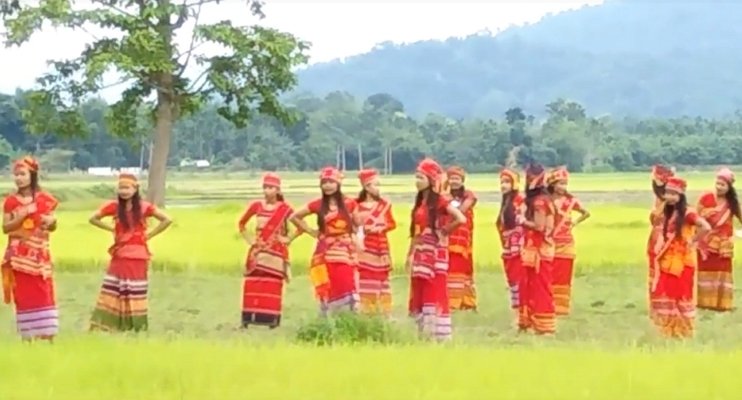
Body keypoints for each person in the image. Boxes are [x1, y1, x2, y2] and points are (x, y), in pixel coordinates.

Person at [88, 173, 172, 332]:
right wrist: (111, 229)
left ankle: (134, 327)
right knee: (114, 289)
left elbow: (167, 219)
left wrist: (149, 236)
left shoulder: (145, 207)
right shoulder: (113, 207)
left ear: (135, 189)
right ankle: (110, 326)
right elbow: (92, 218)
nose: (124, 191)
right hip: (120, 255)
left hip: (137, 256)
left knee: (134, 291)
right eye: (121, 188)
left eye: (127, 188)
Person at [407, 158, 466, 341]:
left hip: (434, 251)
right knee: (420, 288)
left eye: (421, 177)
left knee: (434, 287)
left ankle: (438, 332)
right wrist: (410, 253)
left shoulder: (439, 201)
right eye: (416, 177)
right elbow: (416, 230)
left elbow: (460, 218)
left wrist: (445, 230)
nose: (418, 181)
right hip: (421, 250)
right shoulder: (420, 203)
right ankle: (424, 331)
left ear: (431, 180)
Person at [290, 166, 361, 315]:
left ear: (338, 183)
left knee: (347, 281)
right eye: (324, 182)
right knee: (328, 283)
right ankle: (329, 318)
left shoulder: (350, 203)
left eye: (331, 182)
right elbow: (294, 217)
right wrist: (311, 231)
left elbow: (357, 225)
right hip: (325, 251)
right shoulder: (317, 204)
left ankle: (348, 317)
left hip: (345, 250)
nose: (327, 185)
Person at [1, 156, 59, 342]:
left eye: (23, 174)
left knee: (43, 292)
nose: (19, 178)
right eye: (16, 175)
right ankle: (27, 337)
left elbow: (51, 226)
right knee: (23, 295)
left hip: (39, 255)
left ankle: (47, 335)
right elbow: (6, 228)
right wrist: (23, 214)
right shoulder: (11, 201)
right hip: (18, 256)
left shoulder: (45, 199)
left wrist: (52, 222)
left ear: (32, 175)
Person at [238, 173, 301, 328]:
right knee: (253, 283)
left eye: (271, 187)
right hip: (258, 251)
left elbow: (301, 226)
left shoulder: (286, 209)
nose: (267, 191)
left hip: (276, 253)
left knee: (272, 284)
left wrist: (288, 239)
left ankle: (272, 319)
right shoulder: (256, 206)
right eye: (265, 187)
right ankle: (248, 318)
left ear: (278, 190)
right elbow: (241, 224)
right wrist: (250, 240)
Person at [650, 176, 710, 338]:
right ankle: (668, 329)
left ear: (681, 195)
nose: (669, 197)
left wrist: (692, 241)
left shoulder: (688, 213)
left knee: (681, 293)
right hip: (667, 259)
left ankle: (683, 330)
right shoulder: (667, 211)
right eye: (667, 193)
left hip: (682, 262)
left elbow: (705, 227)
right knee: (667, 292)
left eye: (673, 194)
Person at [518, 163, 556, 335]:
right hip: (538, 250)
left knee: (539, 287)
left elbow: (539, 227)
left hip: (539, 251)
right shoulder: (545, 199)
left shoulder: (540, 201)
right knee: (533, 285)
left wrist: (522, 221)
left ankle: (543, 325)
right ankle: (532, 322)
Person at [696, 167, 741, 311]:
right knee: (705, 270)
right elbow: (695, 217)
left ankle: (721, 304)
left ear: (729, 187)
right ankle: (704, 302)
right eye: (718, 184)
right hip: (706, 243)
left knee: (722, 272)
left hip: (723, 245)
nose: (719, 187)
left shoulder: (732, 204)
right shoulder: (706, 198)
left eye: (723, 185)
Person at [547, 166, 590, 316]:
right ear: (552, 184)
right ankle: (548, 304)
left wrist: (574, 223)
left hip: (566, 243)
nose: (563, 187)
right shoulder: (546, 200)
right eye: (560, 183)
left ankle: (561, 307)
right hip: (550, 242)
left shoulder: (571, 201)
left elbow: (586, 213)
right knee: (549, 274)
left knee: (563, 275)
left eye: (565, 184)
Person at [355, 168, 396, 316]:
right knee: (366, 276)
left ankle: (384, 312)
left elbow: (392, 224)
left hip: (380, 245)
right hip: (364, 246)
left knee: (382, 279)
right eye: (375, 185)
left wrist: (380, 227)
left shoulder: (384, 205)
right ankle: (367, 310)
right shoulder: (355, 205)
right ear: (366, 187)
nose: (378, 188)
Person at [445, 166, 478, 311]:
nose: (454, 182)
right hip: (448, 236)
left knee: (463, 267)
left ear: (462, 180)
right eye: (451, 178)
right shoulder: (444, 196)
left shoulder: (469, 195)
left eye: (457, 179)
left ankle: (465, 301)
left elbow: (462, 210)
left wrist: (449, 208)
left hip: (463, 238)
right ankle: (451, 301)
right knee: (450, 267)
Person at [497, 168, 525, 315]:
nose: (503, 185)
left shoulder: (519, 200)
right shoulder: (507, 201)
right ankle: (519, 310)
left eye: (507, 182)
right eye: (502, 182)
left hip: (518, 247)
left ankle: (523, 311)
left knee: (518, 277)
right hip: (509, 246)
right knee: (512, 278)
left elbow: (523, 223)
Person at [647, 164, 673, 319]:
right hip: (654, 239)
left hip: (666, 240)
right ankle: (657, 302)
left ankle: (666, 301)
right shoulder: (658, 199)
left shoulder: (670, 202)